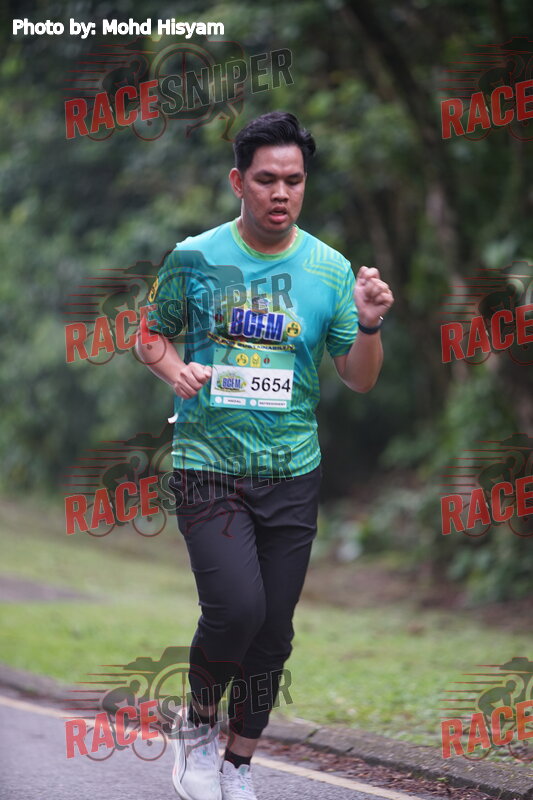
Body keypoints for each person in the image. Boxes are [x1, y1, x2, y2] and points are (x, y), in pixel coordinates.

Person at [135, 111, 394, 800]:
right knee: (236, 609)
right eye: (267, 179)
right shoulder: (195, 257)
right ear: (237, 182)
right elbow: (150, 336)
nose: (281, 193)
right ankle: (196, 731)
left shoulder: (329, 270)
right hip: (208, 465)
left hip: (291, 472)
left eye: (294, 180)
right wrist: (176, 371)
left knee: (274, 632)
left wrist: (370, 325)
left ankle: (239, 764)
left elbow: (359, 377)